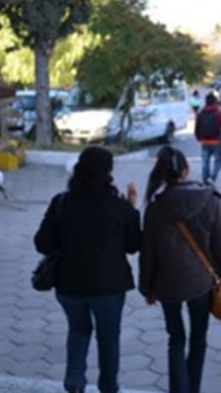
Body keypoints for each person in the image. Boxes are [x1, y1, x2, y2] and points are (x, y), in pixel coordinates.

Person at [34, 146, 141, 393]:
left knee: (78, 330)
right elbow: (134, 246)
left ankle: (74, 383)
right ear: (109, 172)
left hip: (69, 285)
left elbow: (42, 244)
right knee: (108, 337)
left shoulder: (61, 203)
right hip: (109, 288)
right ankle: (108, 387)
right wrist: (132, 209)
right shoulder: (119, 207)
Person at [140, 146, 221, 393]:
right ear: (186, 170)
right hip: (201, 282)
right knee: (198, 339)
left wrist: (147, 288)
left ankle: (179, 389)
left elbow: (148, 252)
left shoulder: (155, 207)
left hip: (166, 284)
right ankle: (192, 388)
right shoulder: (210, 200)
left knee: (175, 338)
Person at [195, 94, 221, 185]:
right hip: (217, 141)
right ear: (214, 102)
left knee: (205, 162)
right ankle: (212, 177)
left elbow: (197, 128)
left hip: (205, 141)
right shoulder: (219, 113)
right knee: (218, 160)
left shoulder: (200, 113)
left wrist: (199, 138)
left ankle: (205, 180)